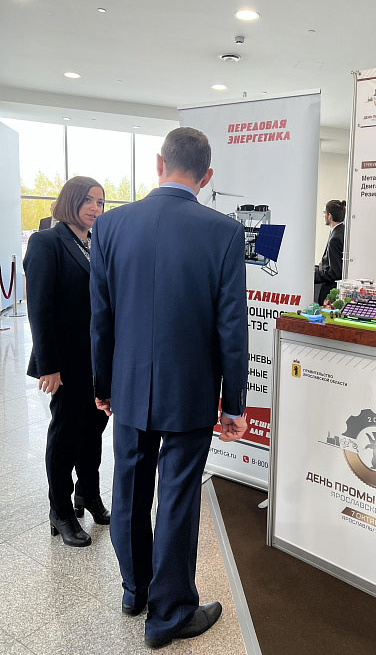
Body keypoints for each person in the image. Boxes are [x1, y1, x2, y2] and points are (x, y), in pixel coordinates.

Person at [90, 127, 248, 649]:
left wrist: (103, 384)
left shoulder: (110, 225)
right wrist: (234, 403)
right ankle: (169, 614)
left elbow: (101, 318)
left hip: (129, 387)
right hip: (191, 391)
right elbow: (232, 326)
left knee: (129, 489)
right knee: (178, 496)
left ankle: (134, 590)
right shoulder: (224, 232)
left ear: (159, 164)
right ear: (207, 176)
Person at [24, 176, 110, 548]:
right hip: (66, 361)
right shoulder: (47, 242)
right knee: (65, 434)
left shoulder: (96, 243)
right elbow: (39, 307)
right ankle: (59, 510)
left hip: (97, 358)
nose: (95, 208)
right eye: (88, 200)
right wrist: (48, 365)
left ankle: (87, 494)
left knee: (94, 429)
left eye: (100, 202)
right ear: (70, 201)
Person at [314, 198, 346, 305]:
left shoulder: (335, 238)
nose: (323, 215)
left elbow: (335, 272)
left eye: (324, 213)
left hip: (330, 292)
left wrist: (314, 274)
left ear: (329, 216)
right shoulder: (342, 231)